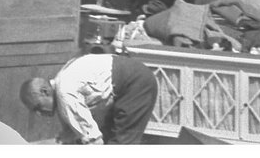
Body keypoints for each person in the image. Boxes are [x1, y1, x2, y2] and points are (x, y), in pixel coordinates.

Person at [19, 52, 158, 145]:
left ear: (45, 92)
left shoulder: (65, 93)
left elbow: (93, 139)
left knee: (122, 143)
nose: (39, 113)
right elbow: (72, 133)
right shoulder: (62, 84)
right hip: (124, 83)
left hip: (134, 83)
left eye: (37, 107)